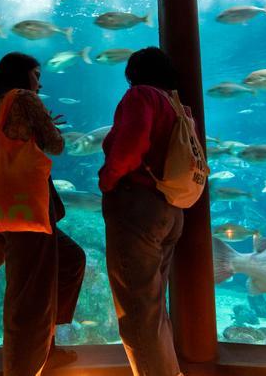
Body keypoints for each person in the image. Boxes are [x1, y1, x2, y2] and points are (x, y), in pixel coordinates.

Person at [0, 52, 86, 376]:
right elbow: (56, 145)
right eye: (36, 74)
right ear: (22, 76)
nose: (39, 82)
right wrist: (46, 125)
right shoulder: (25, 99)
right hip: (24, 209)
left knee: (71, 259)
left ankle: (49, 347)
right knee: (27, 297)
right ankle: (21, 369)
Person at [99, 47, 187, 376]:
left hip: (137, 207)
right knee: (152, 310)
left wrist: (107, 181)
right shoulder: (176, 105)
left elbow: (129, 148)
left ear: (133, 72)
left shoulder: (141, 96)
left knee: (136, 312)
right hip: (170, 208)